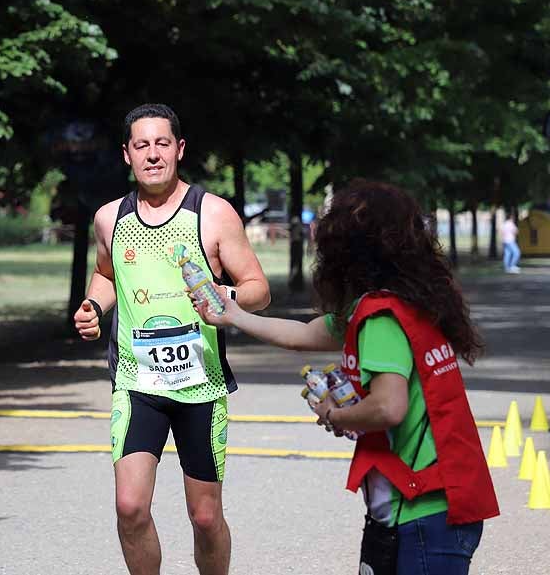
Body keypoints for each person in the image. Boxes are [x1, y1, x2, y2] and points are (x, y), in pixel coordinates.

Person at [193, 180, 498, 575]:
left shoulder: (380, 317)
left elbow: (388, 407)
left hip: (422, 511)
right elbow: (305, 334)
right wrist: (231, 314)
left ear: (347, 249)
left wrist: (336, 415)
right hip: (437, 503)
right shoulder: (402, 303)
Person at [72, 103, 270, 575]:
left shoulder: (213, 213)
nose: (153, 155)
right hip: (138, 383)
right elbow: (106, 274)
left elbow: (259, 290)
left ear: (179, 149)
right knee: (129, 507)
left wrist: (226, 296)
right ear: (127, 154)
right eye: (142, 145)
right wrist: (94, 306)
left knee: (204, 517)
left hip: (201, 386)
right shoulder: (109, 219)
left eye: (163, 144)